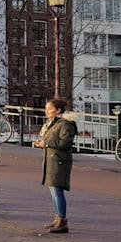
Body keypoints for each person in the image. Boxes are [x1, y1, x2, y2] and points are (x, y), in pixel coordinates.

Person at [33, 98, 78, 234]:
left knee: (57, 191)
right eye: (46, 109)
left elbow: (65, 143)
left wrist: (46, 144)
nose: (47, 112)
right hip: (52, 160)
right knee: (53, 191)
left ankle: (62, 221)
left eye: (49, 109)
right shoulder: (53, 124)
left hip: (59, 162)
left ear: (58, 110)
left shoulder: (65, 124)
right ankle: (58, 217)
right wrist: (43, 144)